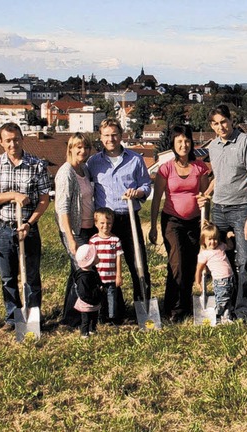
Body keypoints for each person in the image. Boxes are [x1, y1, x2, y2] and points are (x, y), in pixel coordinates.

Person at [0, 122, 51, 331]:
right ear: (1, 142)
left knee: (31, 275)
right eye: (8, 140)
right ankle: (13, 318)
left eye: (16, 139)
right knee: (7, 276)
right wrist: (12, 195)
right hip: (3, 228)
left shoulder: (37, 165)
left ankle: (32, 318)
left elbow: (44, 199)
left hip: (28, 228)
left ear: (22, 138)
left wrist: (30, 224)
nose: (13, 144)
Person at [87, 118, 151, 307]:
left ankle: (143, 304)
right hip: (105, 224)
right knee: (107, 267)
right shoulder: (93, 162)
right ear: (100, 137)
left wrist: (138, 192)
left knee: (137, 262)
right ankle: (113, 307)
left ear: (121, 135)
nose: (111, 139)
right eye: (106, 135)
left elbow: (146, 184)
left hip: (128, 218)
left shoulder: (135, 159)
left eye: (114, 134)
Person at [149, 125, 210, 322]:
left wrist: (206, 219)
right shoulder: (165, 169)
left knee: (191, 264)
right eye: (179, 141)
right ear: (173, 144)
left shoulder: (200, 167)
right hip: (172, 221)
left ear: (191, 143)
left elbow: (205, 196)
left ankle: (186, 305)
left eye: (186, 141)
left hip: (194, 222)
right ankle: (172, 309)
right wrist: (152, 227)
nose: (183, 145)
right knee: (177, 264)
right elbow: (156, 199)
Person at [205, 104, 247, 322]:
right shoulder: (213, 146)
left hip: (241, 208)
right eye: (216, 124)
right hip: (219, 209)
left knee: (244, 260)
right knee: (222, 261)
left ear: (231, 120)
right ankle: (226, 303)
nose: (221, 127)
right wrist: (207, 193)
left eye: (224, 122)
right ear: (212, 126)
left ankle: (244, 310)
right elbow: (219, 176)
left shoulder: (245, 142)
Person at [55, 133, 95, 327]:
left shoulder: (84, 169)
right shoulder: (66, 172)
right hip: (74, 230)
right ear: (70, 148)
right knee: (83, 271)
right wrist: (70, 237)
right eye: (78, 147)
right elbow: (62, 207)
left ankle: (70, 316)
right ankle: (78, 318)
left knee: (77, 273)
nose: (83, 151)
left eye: (86, 147)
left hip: (88, 227)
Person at [194, 222, 235, 324]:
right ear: (203, 240)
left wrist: (228, 238)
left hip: (230, 278)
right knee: (222, 301)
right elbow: (199, 269)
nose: (213, 242)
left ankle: (226, 318)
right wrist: (198, 282)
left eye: (215, 238)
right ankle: (215, 316)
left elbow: (230, 247)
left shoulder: (221, 246)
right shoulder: (204, 254)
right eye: (210, 239)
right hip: (220, 281)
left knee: (228, 300)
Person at [89, 208, 124, 323]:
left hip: (111, 277)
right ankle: (100, 317)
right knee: (99, 298)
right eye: (102, 223)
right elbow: (91, 259)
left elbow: (118, 258)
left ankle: (112, 318)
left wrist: (119, 275)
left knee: (112, 299)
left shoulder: (115, 240)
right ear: (96, 224)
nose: (105, 226)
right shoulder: (93, 241)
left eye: (109, 223)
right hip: (99, 278)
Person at [72, 244, 103, 338]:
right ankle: (84, 333)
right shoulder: (83, 277)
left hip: (94, 300)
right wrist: (96, 292)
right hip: (87, 302)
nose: (98, 257)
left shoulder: (92, 270)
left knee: (94, 317)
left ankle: (92, 329)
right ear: (90, 260)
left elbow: (97, 281)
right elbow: (83, 293)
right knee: (86, 318)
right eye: (96, 256)